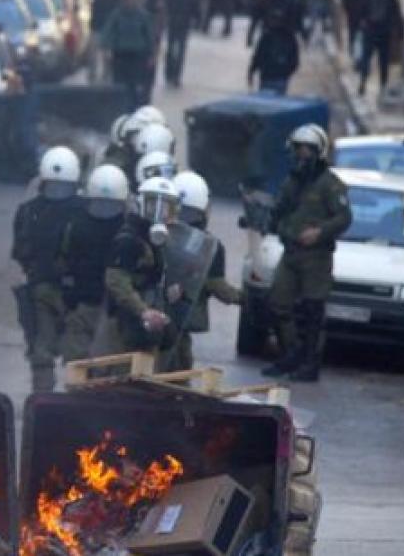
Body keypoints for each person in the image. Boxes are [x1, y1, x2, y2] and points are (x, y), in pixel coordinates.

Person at [262, 125, 352, 382]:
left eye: (307, 149)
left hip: (316, 257)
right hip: (290, 253)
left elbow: (344, 217)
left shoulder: (330, 185)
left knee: (313, 310)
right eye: (298, 148)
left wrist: (320, 232)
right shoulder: (292, 181)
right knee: (278, 303)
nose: (302, 154)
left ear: (318, 151)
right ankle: (291, 353)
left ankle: (310, 364)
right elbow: (280, 210)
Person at [11, 147, 84, 392]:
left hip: (43, 288)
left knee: (42, 350)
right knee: (78, 353)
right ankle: (79, 405)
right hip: (77, 292)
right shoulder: (85, 210)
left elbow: (20, 252)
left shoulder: (28, 211)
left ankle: (43, 402)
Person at [102, 177, 186, 365]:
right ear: (141, 203)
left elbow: (154, 277)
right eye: (153, 204)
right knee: (119, 374)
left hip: (146, 322)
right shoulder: (129, 240)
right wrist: (143, 311)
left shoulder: (157, 241)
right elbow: (116, 281)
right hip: (124, 321)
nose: (160, 213)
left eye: (166, 207)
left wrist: (169, 292)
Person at [166, 171, 243, 371]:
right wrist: (246, 298)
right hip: (179, 321)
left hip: (147, 315)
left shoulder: (156, 232)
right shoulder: (209, 247)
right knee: (178, 374)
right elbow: (219, 288)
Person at [61, 164, 130, 362]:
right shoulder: (127, 230)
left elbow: (65, 260)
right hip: (100, 304)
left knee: (83, 361)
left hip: (97, 303)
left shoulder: (76, 225)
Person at [100, 0, 157, 107]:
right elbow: (108, 31)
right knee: (120, 84)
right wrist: (107, 48)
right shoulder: (117, 14)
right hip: (120, 55)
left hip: (138, 56)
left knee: (136, 84)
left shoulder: (143, 16)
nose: (131, 2)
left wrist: (151, 55)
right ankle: (121, 106)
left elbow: (150, 36)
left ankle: (135, 107)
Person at [358, 0, 404, 96]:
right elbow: (398, 19)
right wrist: (400, 35)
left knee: (366, 58)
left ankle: (363, 81)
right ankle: (382, 86)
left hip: (370, 31)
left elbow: (361, 12)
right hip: (385, 33)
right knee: (383, 61)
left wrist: (363, 25)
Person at [247, 8, 300, 95]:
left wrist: (251, 72)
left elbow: (257, 56)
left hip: (268, 76)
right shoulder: (290, 37)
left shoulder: (267, 36)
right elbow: (295, 60)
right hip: (280, 78)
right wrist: (286, 73)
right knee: (278, 101)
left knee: (266, 103)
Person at [163, 0, 197, 88]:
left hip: (173, 23)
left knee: (171, 48)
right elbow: (195, 9)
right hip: (184, 24)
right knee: (181, 51)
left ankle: (168, 73)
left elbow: (167, 6)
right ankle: (177, 76)